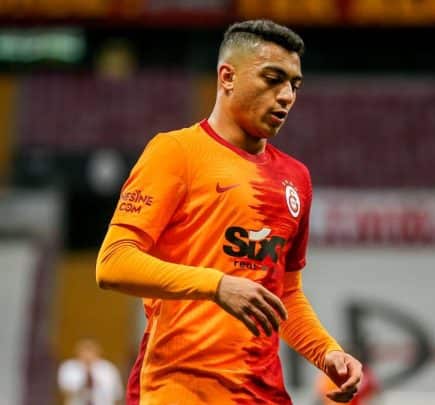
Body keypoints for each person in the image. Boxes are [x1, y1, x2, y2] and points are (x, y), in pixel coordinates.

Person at [96, 19, 363, 404]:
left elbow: (285, 293)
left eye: (294, 85)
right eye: (273, 79)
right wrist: (217, 285)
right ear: (227, 77)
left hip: (262, 393)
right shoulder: (176, 152)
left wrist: (327, 352)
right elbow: (113, 263)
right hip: (180, 388)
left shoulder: (296, 178)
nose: (286, 95)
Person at [57, 338, 123, 405]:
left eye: (91, 350)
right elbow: (65, 389)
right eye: (84, 350)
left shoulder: (109, 369)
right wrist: (84, 382)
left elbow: (117, 394)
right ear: (78, 352)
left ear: (98, 352)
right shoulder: (69, 367)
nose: (88, 354)